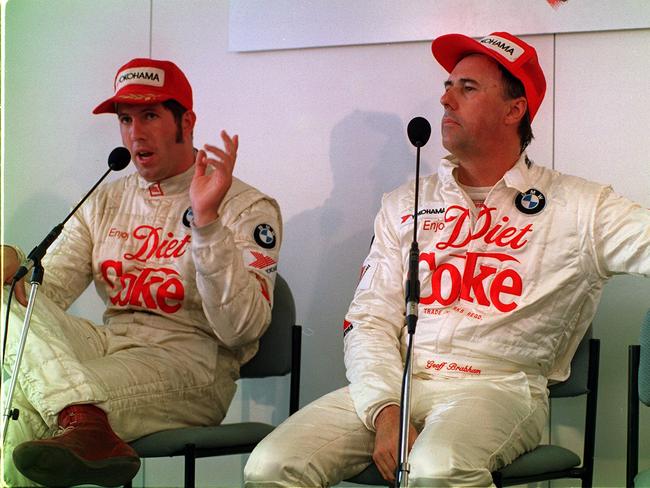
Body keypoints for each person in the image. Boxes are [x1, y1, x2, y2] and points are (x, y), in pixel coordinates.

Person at [244, 31, 650, 487]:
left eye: (467, 88)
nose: (445, 99)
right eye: (447, 85)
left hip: (499, 389)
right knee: (272, 464)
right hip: (398, 385)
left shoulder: (580, 206)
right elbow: (369, 320)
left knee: (435, 468)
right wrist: (384, 409)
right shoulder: (404, 203)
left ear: (514, 110)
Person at [1, 58, 282, 487]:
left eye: (150, 115)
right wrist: (11, 264)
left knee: (19, 407)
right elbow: (43, 292)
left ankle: (81, 416)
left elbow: (242, 330)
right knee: (6, 300)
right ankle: (84, 417)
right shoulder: (105, 199)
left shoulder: (247, 206)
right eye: (126, 119)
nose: (136, 133)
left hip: (191, 363)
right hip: (108, 346)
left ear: (185, 122)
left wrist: (206, 222)